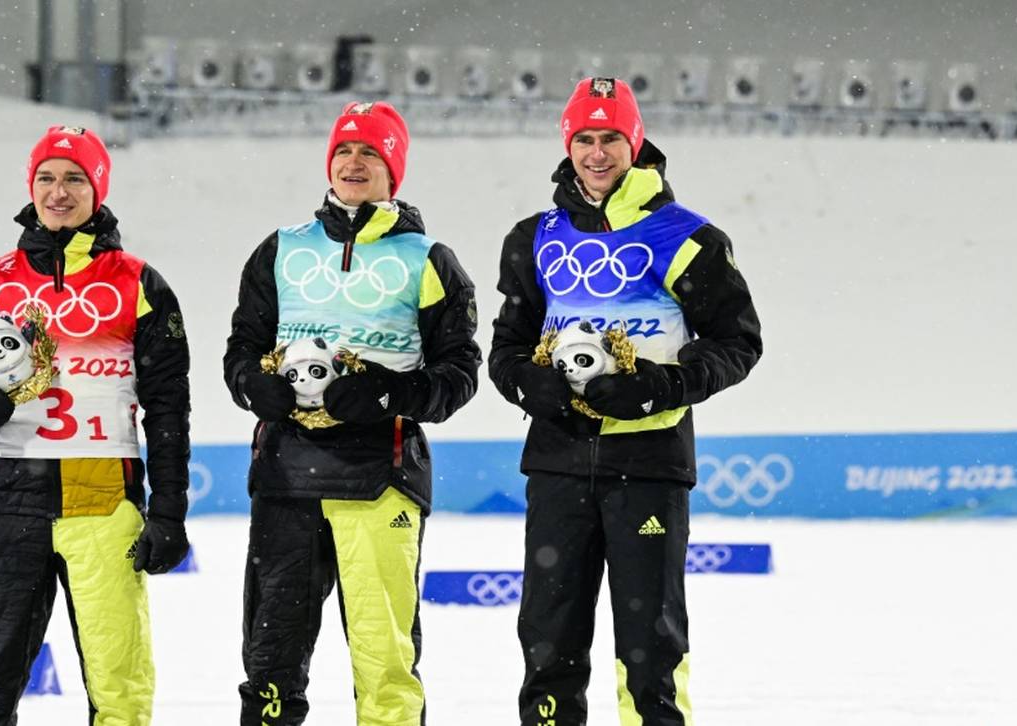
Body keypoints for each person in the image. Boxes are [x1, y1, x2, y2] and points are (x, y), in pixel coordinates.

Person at [490, 77, 763, 724]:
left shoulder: (687, 237)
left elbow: (737, 342)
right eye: (583, 138)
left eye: (610, 137)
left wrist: (660, 387)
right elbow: (505, 348)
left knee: (650, 651)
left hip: (649, 465)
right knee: (548, 643)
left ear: (633, 141)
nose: (596, 152)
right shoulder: (535, 237)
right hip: (558, 465)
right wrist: (531, 384)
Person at [223, 101, 481, 725]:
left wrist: (389, 395)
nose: (354, 162)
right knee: (270, 663)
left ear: (394, 170)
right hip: (287, 479)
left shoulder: (429, 259)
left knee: (384, 663)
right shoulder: (280, 250)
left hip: (381, 478)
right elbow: (241, 353)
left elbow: (459, 374)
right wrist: (257, 390)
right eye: (344, 150)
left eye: (371, 151)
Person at [0, 126, 191, 724]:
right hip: (10, 499)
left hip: (104, 496)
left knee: (119, 685)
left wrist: (170, 511)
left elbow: (168, 408)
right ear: (31, 187)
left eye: (75, 177)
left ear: (97, 188)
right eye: (47, 177)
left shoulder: (140, 283)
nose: (59, 191)